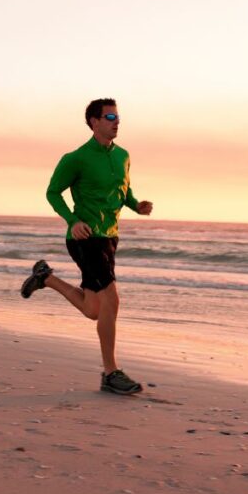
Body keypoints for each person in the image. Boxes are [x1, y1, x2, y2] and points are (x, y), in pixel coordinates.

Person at [20, 99, 153, 395]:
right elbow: (53, 192)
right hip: (85, 238)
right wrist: (73, 220)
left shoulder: (123, 156)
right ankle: (111, 373)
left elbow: (124, 191)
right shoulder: (76, 158)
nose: (116, 122)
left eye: (117, 117)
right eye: (110, 117)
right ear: (94, 122)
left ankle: (46, 278)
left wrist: (137, 205)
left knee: (94, 310)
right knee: (112, 300)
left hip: (110, 238)